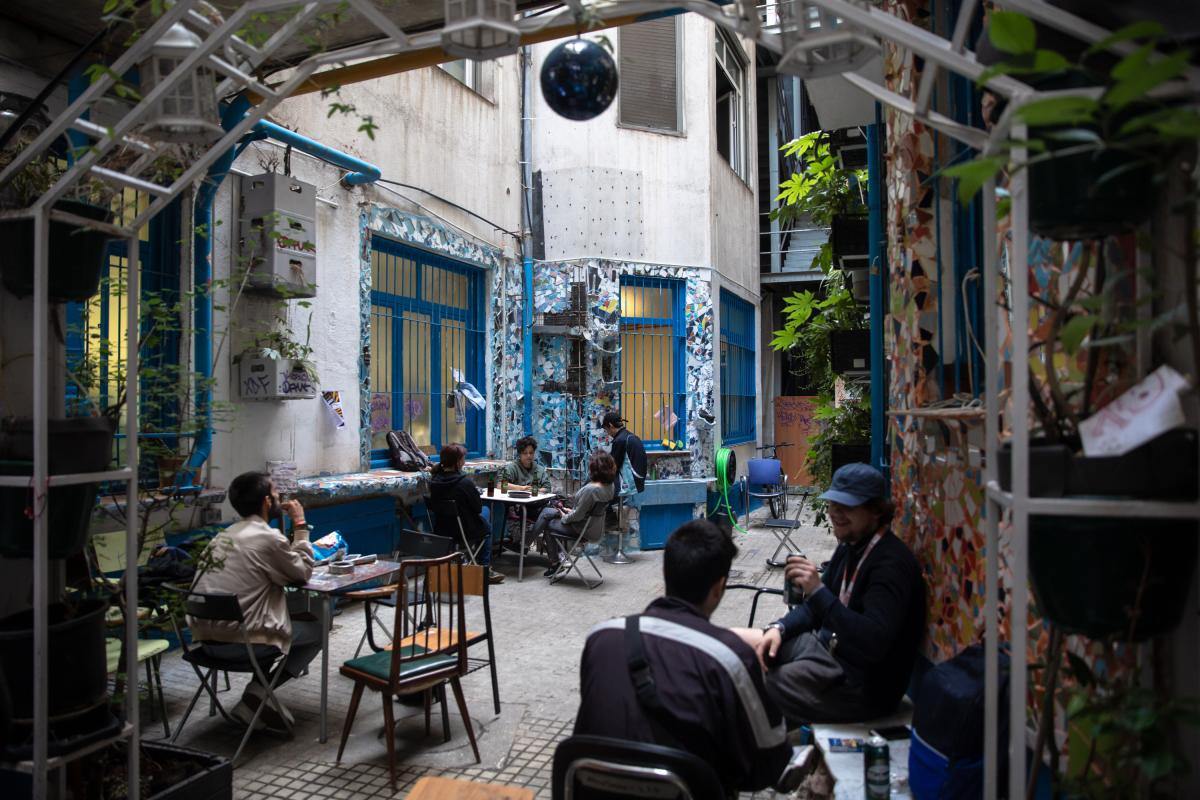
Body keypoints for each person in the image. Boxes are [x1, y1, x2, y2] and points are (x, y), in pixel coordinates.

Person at [574, 519, 792, 794]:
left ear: (666, 573)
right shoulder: (731, 660)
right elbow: (770, 764)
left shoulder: (601, 639)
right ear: (720, 587)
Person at [739, 463, 925, 724]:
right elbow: (815, 608)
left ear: (875, 511)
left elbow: (874, 642)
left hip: (862, 683)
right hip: (829, 647)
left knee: (761, 686)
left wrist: (817, 591)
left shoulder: (891, 565)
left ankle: (762, 746)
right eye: (833, 504)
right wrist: (779, 628)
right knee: (740, 646)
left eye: (847, 506)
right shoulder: (851, 545)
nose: (836, 513)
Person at [189, 471, 318, 732]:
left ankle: (255, 696)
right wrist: (300, 524)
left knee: (277, 616)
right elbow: (302, 572)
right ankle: (259, 691)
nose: (279, 497)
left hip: (205, 642)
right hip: (242, 643)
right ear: (267, 502)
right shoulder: (268, 538)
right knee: (319, 629)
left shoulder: (222, 536)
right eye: (275, 493)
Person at [528, 449, 615, 576]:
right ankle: (529, 543)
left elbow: (577, 516)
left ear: (594, 468)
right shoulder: (610, 486)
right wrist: (571, 512)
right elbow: (588, 510)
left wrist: (565, 516)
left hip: (582, 529)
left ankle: (553, 562)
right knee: (548, 512)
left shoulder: (591, 490)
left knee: (548, 524)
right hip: (595, 528)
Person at [428, 442, 503, 584]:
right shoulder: (464, 483)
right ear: (457, 462)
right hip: (463, 531)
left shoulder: (434, 481)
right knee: (486, 514)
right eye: (463, 459)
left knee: (481, 518)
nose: (464, 462)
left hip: (441, 530)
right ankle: (484, 567)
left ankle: (471, 559)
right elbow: (477, 508)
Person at [602, 411, 647, 498]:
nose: (607, 433)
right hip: (638, 480)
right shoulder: (629, 436)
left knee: (597, 481)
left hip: (631, 483)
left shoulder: (620, 440)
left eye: (606, 429)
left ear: (610, 425)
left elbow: (613, 465)